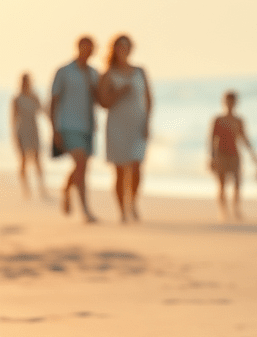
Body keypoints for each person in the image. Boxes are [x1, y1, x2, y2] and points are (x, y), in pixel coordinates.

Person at [97, 34, 153, 223]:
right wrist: (119, 92)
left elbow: (149, 99)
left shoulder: (140, 71)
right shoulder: (108, 74)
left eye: (127, 46)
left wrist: (147, 122)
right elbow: (103, 102)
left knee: (137, 167)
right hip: (117, 125)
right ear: (114, 49)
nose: (124, 49)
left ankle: (133, 202)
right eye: (120, 46)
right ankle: (122, 211)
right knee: (120, 171)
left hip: (137, 123)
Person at [50, 36, 100, 223]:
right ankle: (85, 210)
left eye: (90, 48)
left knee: (82, 167)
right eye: (84, 47)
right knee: (80, 164)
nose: (87, 51)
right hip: (68, 125)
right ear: (78, 47)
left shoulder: (94, 73)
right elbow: (53, 101)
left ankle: (66, 189)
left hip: (88, 126)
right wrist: (54, 129)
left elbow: (100, 99)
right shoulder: (64, 71)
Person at [210, 90, 257, 220]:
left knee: (237, 183)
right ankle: (223, 211)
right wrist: (212, 158)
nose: (230, 104)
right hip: (221, 155)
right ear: (224, 102)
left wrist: (253, 155)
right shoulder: (218, 120)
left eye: (232, 102)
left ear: (236, 103)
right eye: (227, 101)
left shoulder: (239, 120)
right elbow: (212, 139)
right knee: (222, 185)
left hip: (235, 155)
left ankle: (236, 208)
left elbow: (245, 138)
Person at [11, 72, 47, 199]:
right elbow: (13, 119)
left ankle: (42, 188)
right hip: (22, 131)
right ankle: (26, 190)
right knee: (23, 160)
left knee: (37, 159)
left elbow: (43, 110)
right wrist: (15, 137)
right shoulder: (16, 99)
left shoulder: (34, 97)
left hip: (33, 130)